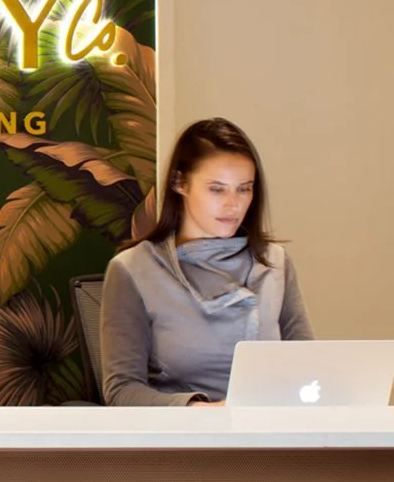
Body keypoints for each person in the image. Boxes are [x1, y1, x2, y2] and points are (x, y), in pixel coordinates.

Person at [99, 117, 312, 406]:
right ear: (180, 183)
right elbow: (122, 390)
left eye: (244, 188)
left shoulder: (275, 262)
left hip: (269, 436)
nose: (233, 204)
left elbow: (309, 370)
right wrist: (202, 411)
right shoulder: (133, 269)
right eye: (216, 189)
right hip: (186, 440)